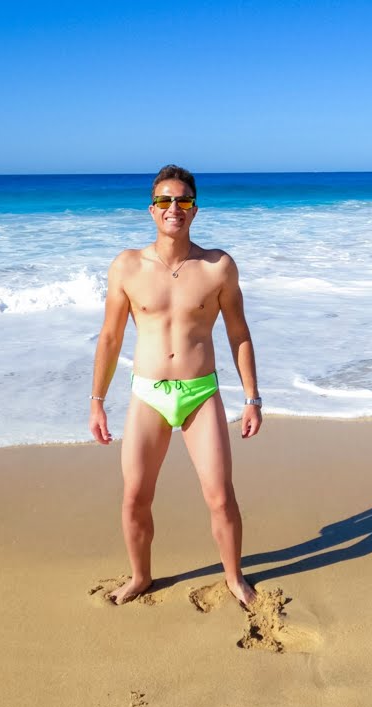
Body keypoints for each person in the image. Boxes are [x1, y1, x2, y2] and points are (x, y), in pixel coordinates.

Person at [88, 164, 262, 607]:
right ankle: (141, 576)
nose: (174, 208)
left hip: (200, 393)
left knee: (221, 498)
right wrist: (97, 401)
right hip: (148, 394)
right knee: (134, 498)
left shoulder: (218, 267)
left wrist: (252, 398)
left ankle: (233, 577)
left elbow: (239, 334)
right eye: (165, 200)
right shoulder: (126, 266)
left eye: (183, 200)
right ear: (151, 210)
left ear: (194, 209)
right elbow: (110, 337)